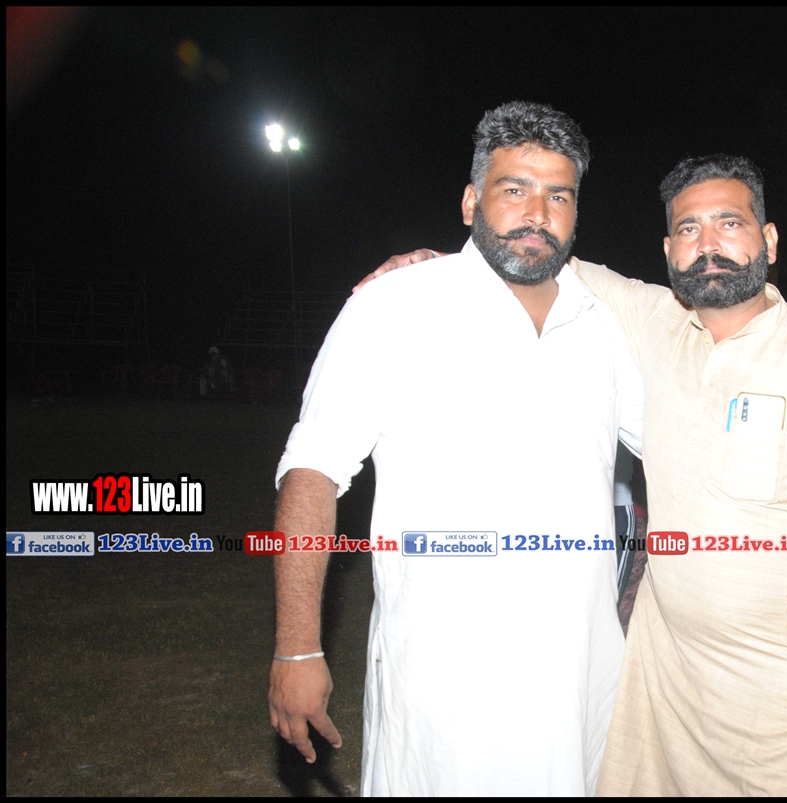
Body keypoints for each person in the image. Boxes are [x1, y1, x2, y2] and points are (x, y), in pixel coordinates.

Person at [366, 155, 787, 797]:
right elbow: (530, 251)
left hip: (783, 705)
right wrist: (436, 265)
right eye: (688, 229)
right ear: (668, 250)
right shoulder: (653, 323)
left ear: (768, 241)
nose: (708, 245)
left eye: (729, 224)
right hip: (661, 687)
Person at [268, 101, 643, 796]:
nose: (538, 213)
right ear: (472, 201)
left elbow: (686, 447)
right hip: (440, 697)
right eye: (515, 189)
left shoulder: (607, 323)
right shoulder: (395, 306)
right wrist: (297, 646)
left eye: (559, 196)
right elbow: (312, 471)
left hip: (579, 687)